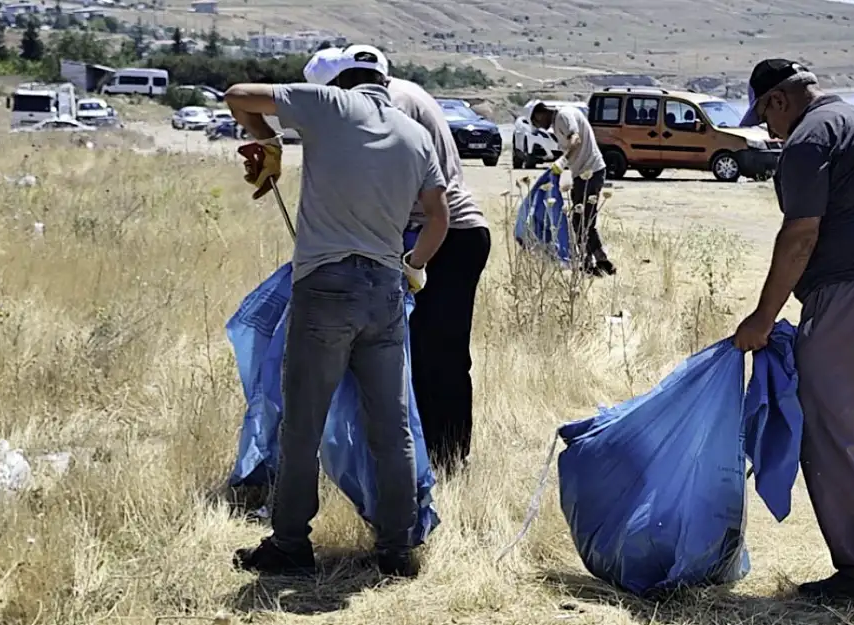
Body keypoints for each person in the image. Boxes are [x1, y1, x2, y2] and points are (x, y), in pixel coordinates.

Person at [224, 44, 450, 578]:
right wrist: (412, 263)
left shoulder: (329, 104)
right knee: (391, 427)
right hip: (386, 291)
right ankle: (397, 548)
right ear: (385, 83)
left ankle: (290, 545)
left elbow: (237, 97)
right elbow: (438, 217)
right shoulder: (415, 134)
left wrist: (268, 141)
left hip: (326, 287)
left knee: (302, 422)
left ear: (343, 81)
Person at [732, 59, 854, 601]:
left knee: (831, 436)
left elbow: (800, 235)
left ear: (778, 100)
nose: (768, 132)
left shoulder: (809, 137)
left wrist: (762, 318)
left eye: (765, 118)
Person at [304, 46, 491, 474]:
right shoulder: (391, 95)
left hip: (448, 237)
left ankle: (448, 459)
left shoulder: (392, 105)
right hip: (428, 234)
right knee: (417, 354)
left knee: (438, 354)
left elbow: (389, 182)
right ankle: (427, 457)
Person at [529, 101, 615, 276]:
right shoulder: (559, 121)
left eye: (536, 122)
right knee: (580, 219)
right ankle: (589, 261)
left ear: (540, 113)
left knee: (583, 219)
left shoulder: (563, 116)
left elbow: (575, 139)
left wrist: (563, 160)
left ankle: (601, 261)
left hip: (591, 171)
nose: (540, 127)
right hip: (583, 173)